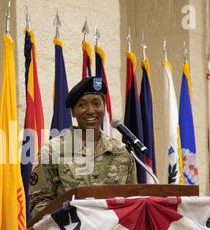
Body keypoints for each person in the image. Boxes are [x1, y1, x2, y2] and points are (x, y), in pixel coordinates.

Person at [29, 76, 137, 219]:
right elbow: (39, 203)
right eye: (82, 105)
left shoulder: (121, 152)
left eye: (96, 103)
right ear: (73, 112)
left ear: (104, 108)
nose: (90, 110)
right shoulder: (52, 151)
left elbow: (133, 199)